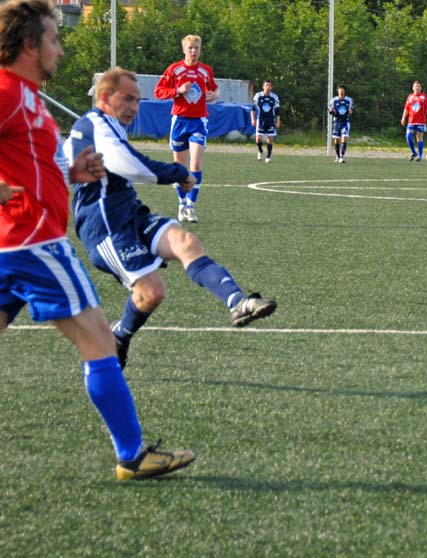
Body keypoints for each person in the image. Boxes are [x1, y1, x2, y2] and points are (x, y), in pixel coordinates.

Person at [0, 0, 194, 480]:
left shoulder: (24, 96)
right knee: (100, 341)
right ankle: (132, 454)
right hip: (34, 245)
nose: (60, 50)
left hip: (12, 244)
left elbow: (25, 167)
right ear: (29, 45)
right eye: (53, 39)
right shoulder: (6, 93)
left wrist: (71, 171)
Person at [65, 67, 278, 372]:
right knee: (152, 292)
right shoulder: (95, 124)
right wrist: (179, 174)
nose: (134, 108)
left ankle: (238, 303)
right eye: (128, 99)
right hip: (106, 228)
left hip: (131, 214)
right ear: (104, 96)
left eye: (138, 101)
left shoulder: (103, 125)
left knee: (186, 242)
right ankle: (119, 337)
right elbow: (129, 165)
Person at [153, 34, 219, 222]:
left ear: (200, 49)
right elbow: (158, 92)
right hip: (180, 121)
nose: (193, 51)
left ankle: (191, 206)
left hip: (199, 121)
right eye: (190, 47)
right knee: (180, 168)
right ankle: (181, 203)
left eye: (196, 48)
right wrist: (178, 91)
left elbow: (215, 88)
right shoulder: (175, 69)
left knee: (196, 164)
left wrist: (213, 95)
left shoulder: (206, 71)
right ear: (184, 49)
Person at [401, 80, 427, 162]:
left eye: (419, 86)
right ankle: (413, 152)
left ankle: (420, 155)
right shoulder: (410, 97)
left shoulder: (424, 96)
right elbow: (406, 108)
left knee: (419, 137)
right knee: (408, 136)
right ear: (413, 88)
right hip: (411, 121)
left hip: (421, 121)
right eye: (416, 86)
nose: (417, 88)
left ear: (421, 88)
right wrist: (403, 118)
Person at [250, 79, 281, 163]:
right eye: (266, 85)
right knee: (258, 139)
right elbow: (253, 109)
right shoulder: (258, 96)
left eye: (269, 85)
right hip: (260, 120)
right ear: (263, 86)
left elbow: (277, 111)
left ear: (271, 87)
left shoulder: (274, 97)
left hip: (271, 119)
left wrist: (278, 121)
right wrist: (252, 119)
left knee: (270, 139)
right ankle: (260, 151)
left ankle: (268, 157)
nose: (268, 87)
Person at [328, 84, 353, 163]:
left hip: (345, 122)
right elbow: (330, 110)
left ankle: (341, 157)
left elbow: (352, 110)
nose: (341, 90)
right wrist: (331, 111)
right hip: (337, 122)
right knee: (336, 140)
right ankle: (338, 156)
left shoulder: (349, 100)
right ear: (338, 91)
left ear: (344, 91)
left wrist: (351, 112)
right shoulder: (333, 100)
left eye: (342, 89)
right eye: (340, 89)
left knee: (344, 138)